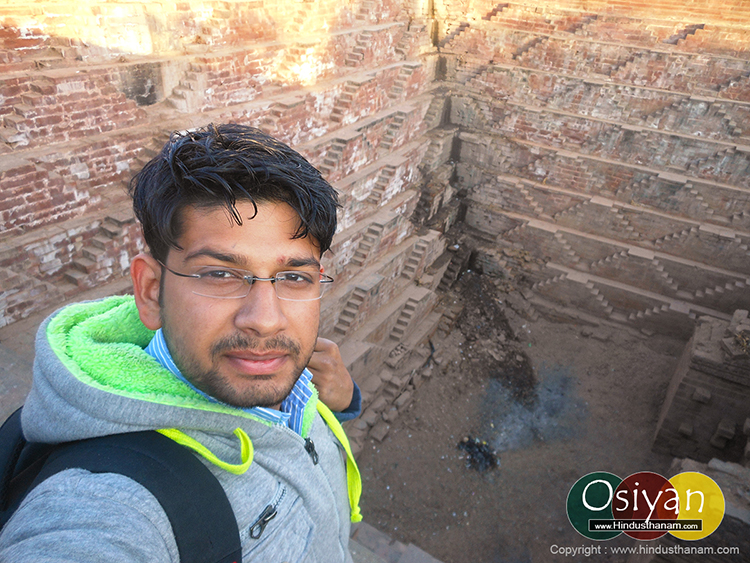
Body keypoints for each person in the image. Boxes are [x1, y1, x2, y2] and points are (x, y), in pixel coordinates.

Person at [0, 123, 362, 562]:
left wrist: (343, 405)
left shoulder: (298, 380)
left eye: (293, 277)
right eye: (220, 274)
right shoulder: (106, 505)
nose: (265, 321)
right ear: (151, 290)